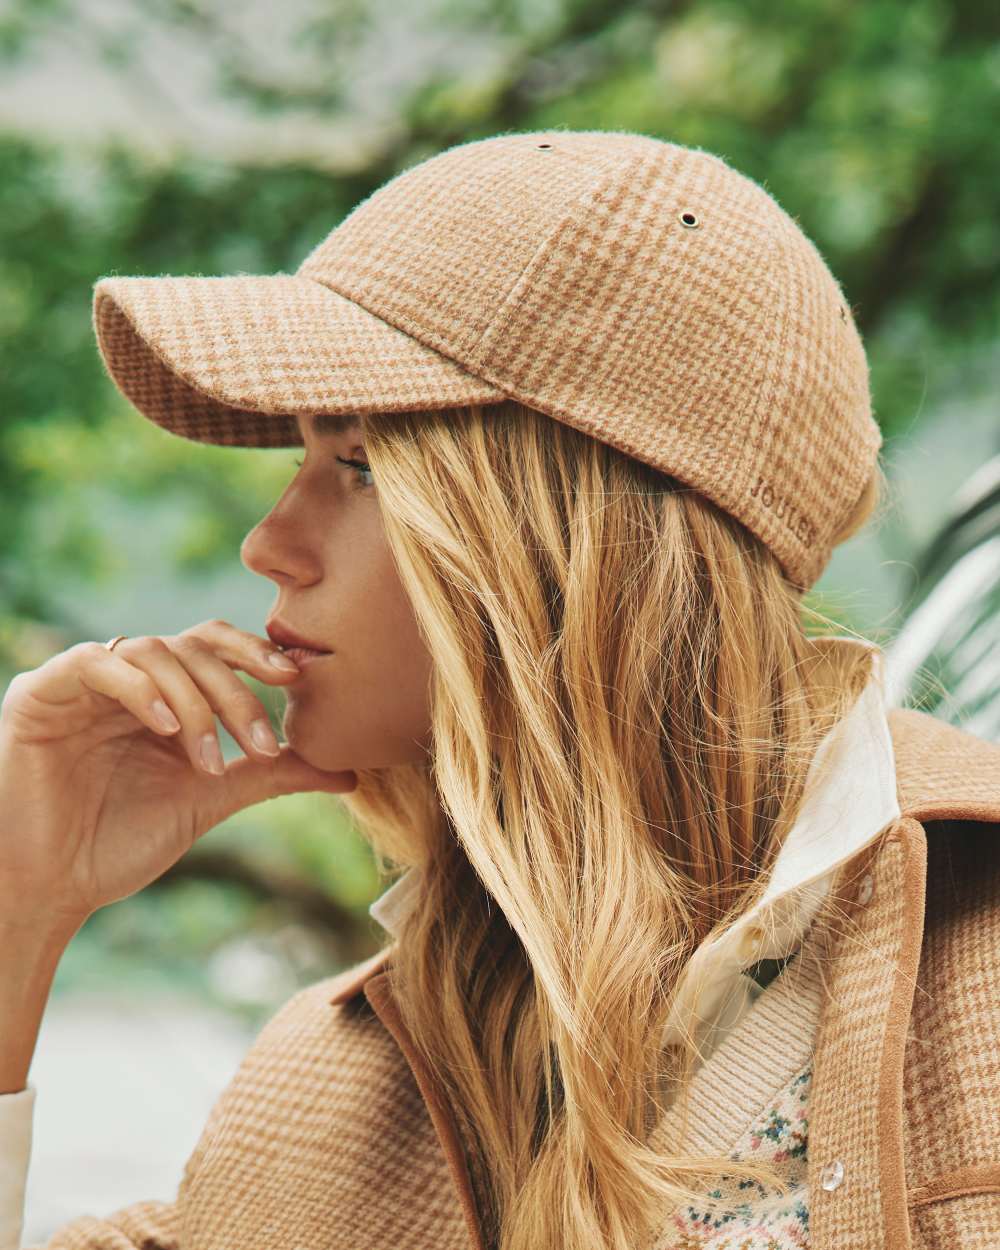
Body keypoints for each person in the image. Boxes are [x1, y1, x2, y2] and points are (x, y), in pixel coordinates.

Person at [1, 130, 998, 1250]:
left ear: (568, 536)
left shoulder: (978, 966)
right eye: (300, 461)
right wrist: (17, 903)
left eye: (362, 467)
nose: (267, 542)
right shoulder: (324, 1100)